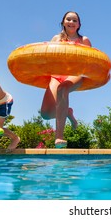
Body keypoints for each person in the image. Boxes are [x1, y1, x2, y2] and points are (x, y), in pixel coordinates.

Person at [40, 11, 91, 148]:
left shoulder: (84, 40)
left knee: (63, 89)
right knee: (45, 113)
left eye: (75, 20)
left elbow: (90, 61)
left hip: (76, 73)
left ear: (79, 24)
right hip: (57, 74)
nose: (71, 22)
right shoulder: (56, 38)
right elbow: (49, 57)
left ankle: (59, 137)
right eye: (68, 19)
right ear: (63, 22)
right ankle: (68, 112)